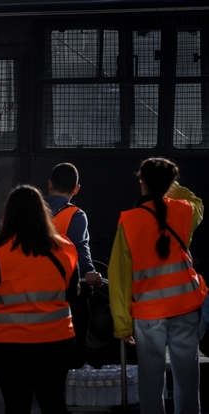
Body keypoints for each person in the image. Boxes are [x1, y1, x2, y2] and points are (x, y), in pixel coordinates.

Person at [109, 157, 206, 414]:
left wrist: (122, 324)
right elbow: (198, 202)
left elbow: (119, 278)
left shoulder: (129, 221)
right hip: (185, 308)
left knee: (151, 381)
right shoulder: (185, 211)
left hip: (148, 314)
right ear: (171, 183)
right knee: (187, 378)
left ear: (142, 182)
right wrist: (172, 187)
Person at [0, 184, 79, 414]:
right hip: (56, 342)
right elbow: (71, 294)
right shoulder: (66, 249)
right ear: (43, 212)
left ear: (8, 214)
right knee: (54, 404)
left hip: (8, 346)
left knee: (16, 406)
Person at [44, 162, 101, 368]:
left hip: (33, 290)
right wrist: (89, 273)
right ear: (76, 189)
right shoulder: (75, 215)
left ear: (49, 184)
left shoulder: (31, 210)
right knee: (74, 337)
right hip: (65, 291)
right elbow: (80, 249)